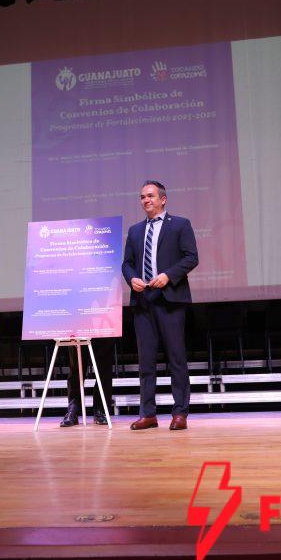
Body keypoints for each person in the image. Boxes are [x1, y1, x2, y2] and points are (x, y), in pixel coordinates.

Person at [122, 181, 199, 431]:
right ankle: (148, 414)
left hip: (170, 300)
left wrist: (168, 275)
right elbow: (127, 263)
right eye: (142, 197)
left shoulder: (180, 225)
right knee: (146, 361)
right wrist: (131, 278)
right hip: (143, 302)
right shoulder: (135, 231)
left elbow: (191, 257)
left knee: (176, 358)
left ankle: (180, 413)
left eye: (150, 196)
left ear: (163, 199)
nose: (146, 200)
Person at [60, 338, 116, 427]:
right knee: (76, 368)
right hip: (79, 330)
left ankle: (100, 411)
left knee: (104, 368)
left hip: (102, 332)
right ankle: (72, 410)